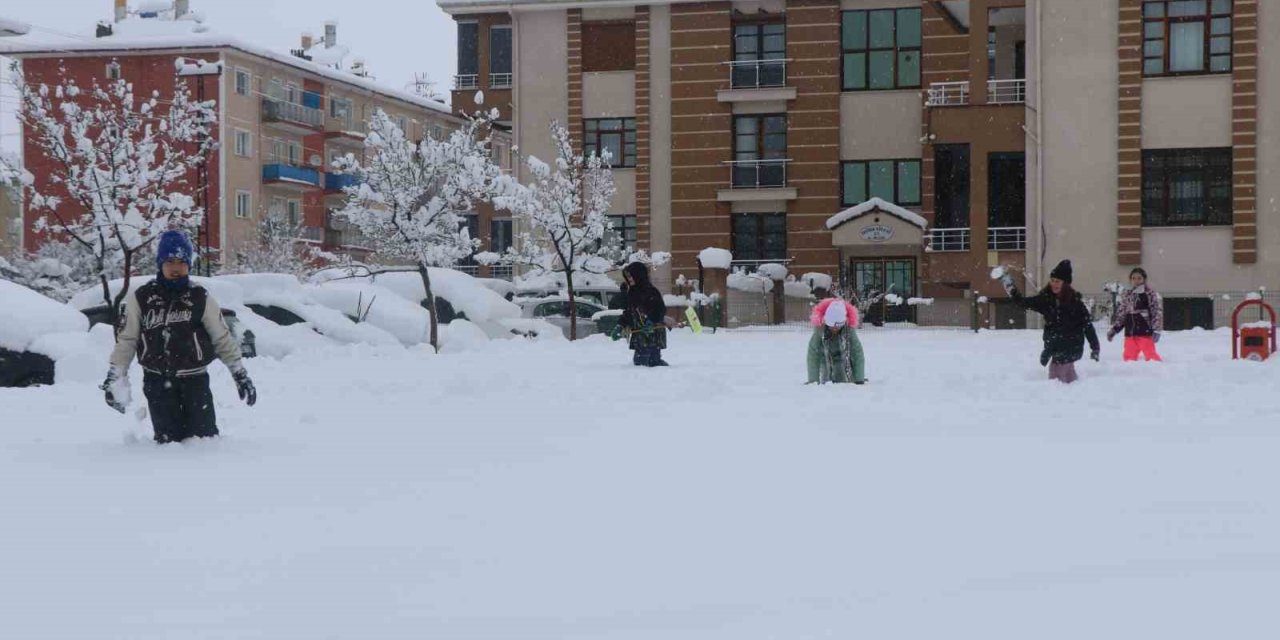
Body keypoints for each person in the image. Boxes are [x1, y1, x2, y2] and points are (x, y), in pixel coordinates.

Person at [101, 230, 257, 443]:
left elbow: (221, 338)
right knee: (168, 447)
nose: (176, 268)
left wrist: (239, 374)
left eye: (182, 262)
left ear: (189, 265)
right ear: (160, 263)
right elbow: (127, 340)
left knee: (205, 443)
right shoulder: (142, 298)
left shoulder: (199, 297)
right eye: (170, 261)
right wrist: (115, 375)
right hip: (157, 383)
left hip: (195, 383)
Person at [1001, 260, 1100, 384]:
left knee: (1056, 385)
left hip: (1068, 348)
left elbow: (1087, 326)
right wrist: (1010, 286)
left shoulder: (1075, 303)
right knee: (1070, 383)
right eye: (1052, 280)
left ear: (1066, 283)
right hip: (1062, 351)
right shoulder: (1047, 300)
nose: (1054, 284)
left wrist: (1095, 347)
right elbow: (1023, 302)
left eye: (1058, 281)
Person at [1107, 267, 1163, 362]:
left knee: (1152, 357)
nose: (1136, 280)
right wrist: (1115, 329)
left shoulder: (1149, 294)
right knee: (1128, 359)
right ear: (1130, 279)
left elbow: (1156, 312)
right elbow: (1122, 314)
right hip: (1130, 334)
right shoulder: (1127, 294)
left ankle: (1156, 374)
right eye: (1133, 278)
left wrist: (1156, 330)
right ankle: (1130, 376)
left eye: (1139, 278)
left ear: (1144, 279)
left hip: (1144, 332)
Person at [619, 262, 668, 367]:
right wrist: (621, 324)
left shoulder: (651, 291)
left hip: (653, 334)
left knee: (643, 363)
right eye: (627, 277)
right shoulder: (632, 292)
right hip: (640, 335)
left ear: (638, 275)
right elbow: (629, 312)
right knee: (648, 363)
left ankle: (670, 376)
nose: (629, 279)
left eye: (631, 276)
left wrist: (651, 321)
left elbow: (660, 309)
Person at [806, 298, 866, 385]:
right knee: (827, 383)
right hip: (825, 360)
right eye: (831, 326)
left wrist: (859, 379)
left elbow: (857, 353)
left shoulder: (849, 329)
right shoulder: (820, 329)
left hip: (844, 360)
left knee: (843, 380)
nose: (834, 329)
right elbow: (813, 355)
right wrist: (813, 381)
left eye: (837, 327)